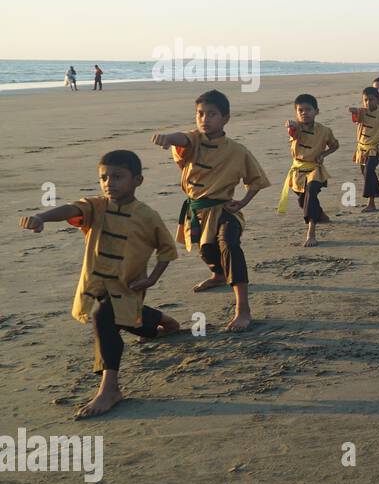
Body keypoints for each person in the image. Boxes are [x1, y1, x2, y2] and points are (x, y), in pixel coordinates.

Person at [19, 150, 180, 418]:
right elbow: (73, 208)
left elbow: (166, 250)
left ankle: (110, 388)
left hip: (127, 285)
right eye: (104, 177)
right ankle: (165, 322)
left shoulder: (147, 215)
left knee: (104, 318)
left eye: (118, 177)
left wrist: (152, 278)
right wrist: (42, 217)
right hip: (95, 282)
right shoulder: (98, 206)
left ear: (137, 180)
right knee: (119, 321)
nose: (109, 183)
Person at [152, 90, 270, 332]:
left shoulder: (237, 151)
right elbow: (182, 139)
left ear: (225, 118)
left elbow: (256, 180)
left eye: (212, 114)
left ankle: (243, 309)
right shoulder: (193, 142)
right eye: (200, 114)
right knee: (206, 249)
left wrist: (243, 202)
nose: (205, 119)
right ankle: (218, 275)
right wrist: (167, 137)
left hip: (225, 209)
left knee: (229, 244)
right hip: (197, 211)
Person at [278, 94, 340, 247]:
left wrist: (323, 154)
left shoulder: (325, 131)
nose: (304, 113)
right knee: (302, 200)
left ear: (316, 111)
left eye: (308, 110)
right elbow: (292, 132)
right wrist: (290, 125)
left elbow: (335, 145)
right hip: (298, 170)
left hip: (314, 170)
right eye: (300, 110)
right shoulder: (295, 128)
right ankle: (321, 215)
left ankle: (311, 231)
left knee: (311, 193)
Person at [349, 86, 379, 212]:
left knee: (368, 172)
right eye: (365, 100)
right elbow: (356, 118)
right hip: (361, 149)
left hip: (373, 150)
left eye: (371, 100)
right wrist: (354, 111)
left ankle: (371, 202)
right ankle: (378, 191)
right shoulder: (362, 112)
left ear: (377, 100)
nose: (368, 103)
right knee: (365, 173)